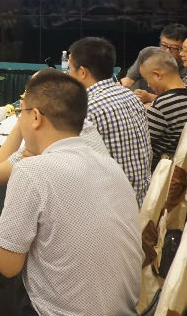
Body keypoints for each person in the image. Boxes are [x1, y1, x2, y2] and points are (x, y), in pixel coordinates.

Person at [0, 69, 140, 316]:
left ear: (35, 117)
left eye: (21, 112)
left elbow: (6, 266)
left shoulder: (32, 171)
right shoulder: (108, 164)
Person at [65, 37, 152, 204]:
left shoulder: (87, 108)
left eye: (70, 68)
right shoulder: (130, 96)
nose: (68, 74)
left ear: (82, 72)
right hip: (141, 199)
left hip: (112, 207)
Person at [138, 47, 187, 164]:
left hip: (161, 170)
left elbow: (141, 143)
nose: (148, 85)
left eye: (147, 79)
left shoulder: (161, 105)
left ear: (157, 75)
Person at [120, 23, 187, 103]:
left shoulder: (185, 66)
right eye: (164, 45)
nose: (167, 52)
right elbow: (128, 80)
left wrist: (150, 97)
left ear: (183, 47)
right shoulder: (148, 54)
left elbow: (179, 99)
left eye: (174, 48)